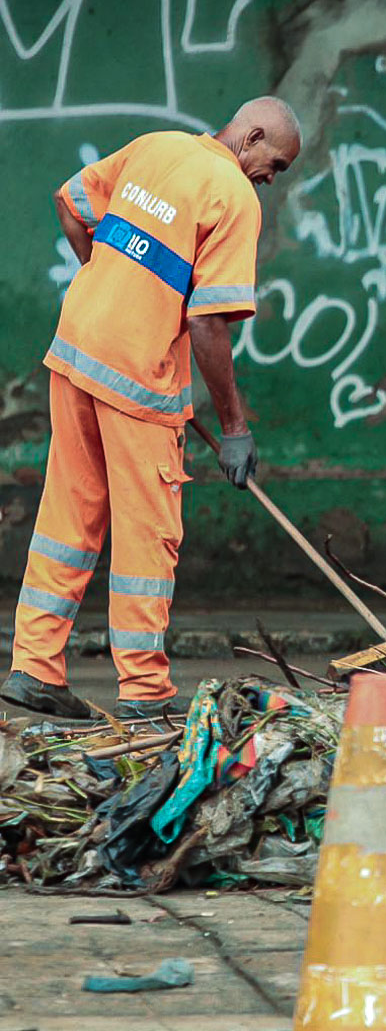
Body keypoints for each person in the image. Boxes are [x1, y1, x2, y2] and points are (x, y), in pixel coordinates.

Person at [2, 97, 301, 722]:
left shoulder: (158, 145)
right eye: (275, 164)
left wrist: (110, 283)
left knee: (68, 517)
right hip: (138, 377)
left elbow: (70, 202)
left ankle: (34, 667)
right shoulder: (233, 196)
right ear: (250, 137)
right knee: (147, 536)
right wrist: (235, 427)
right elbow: (208, 321)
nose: (272, 179)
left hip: (78, 350)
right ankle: (143, 694)